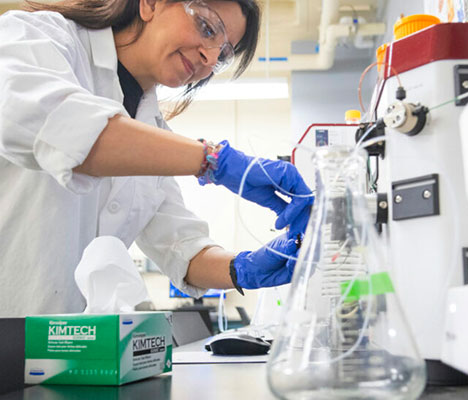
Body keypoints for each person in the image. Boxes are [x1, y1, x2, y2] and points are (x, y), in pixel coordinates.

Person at [0, 0, 313, 316]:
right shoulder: (37, 37)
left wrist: (245, 268)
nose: (209, 57)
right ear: (150, 4)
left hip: (74, 347)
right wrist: (213, 161)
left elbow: (182, 249)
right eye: (206, 27)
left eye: (223, 54)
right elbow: (62, 127)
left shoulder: (152, 129)